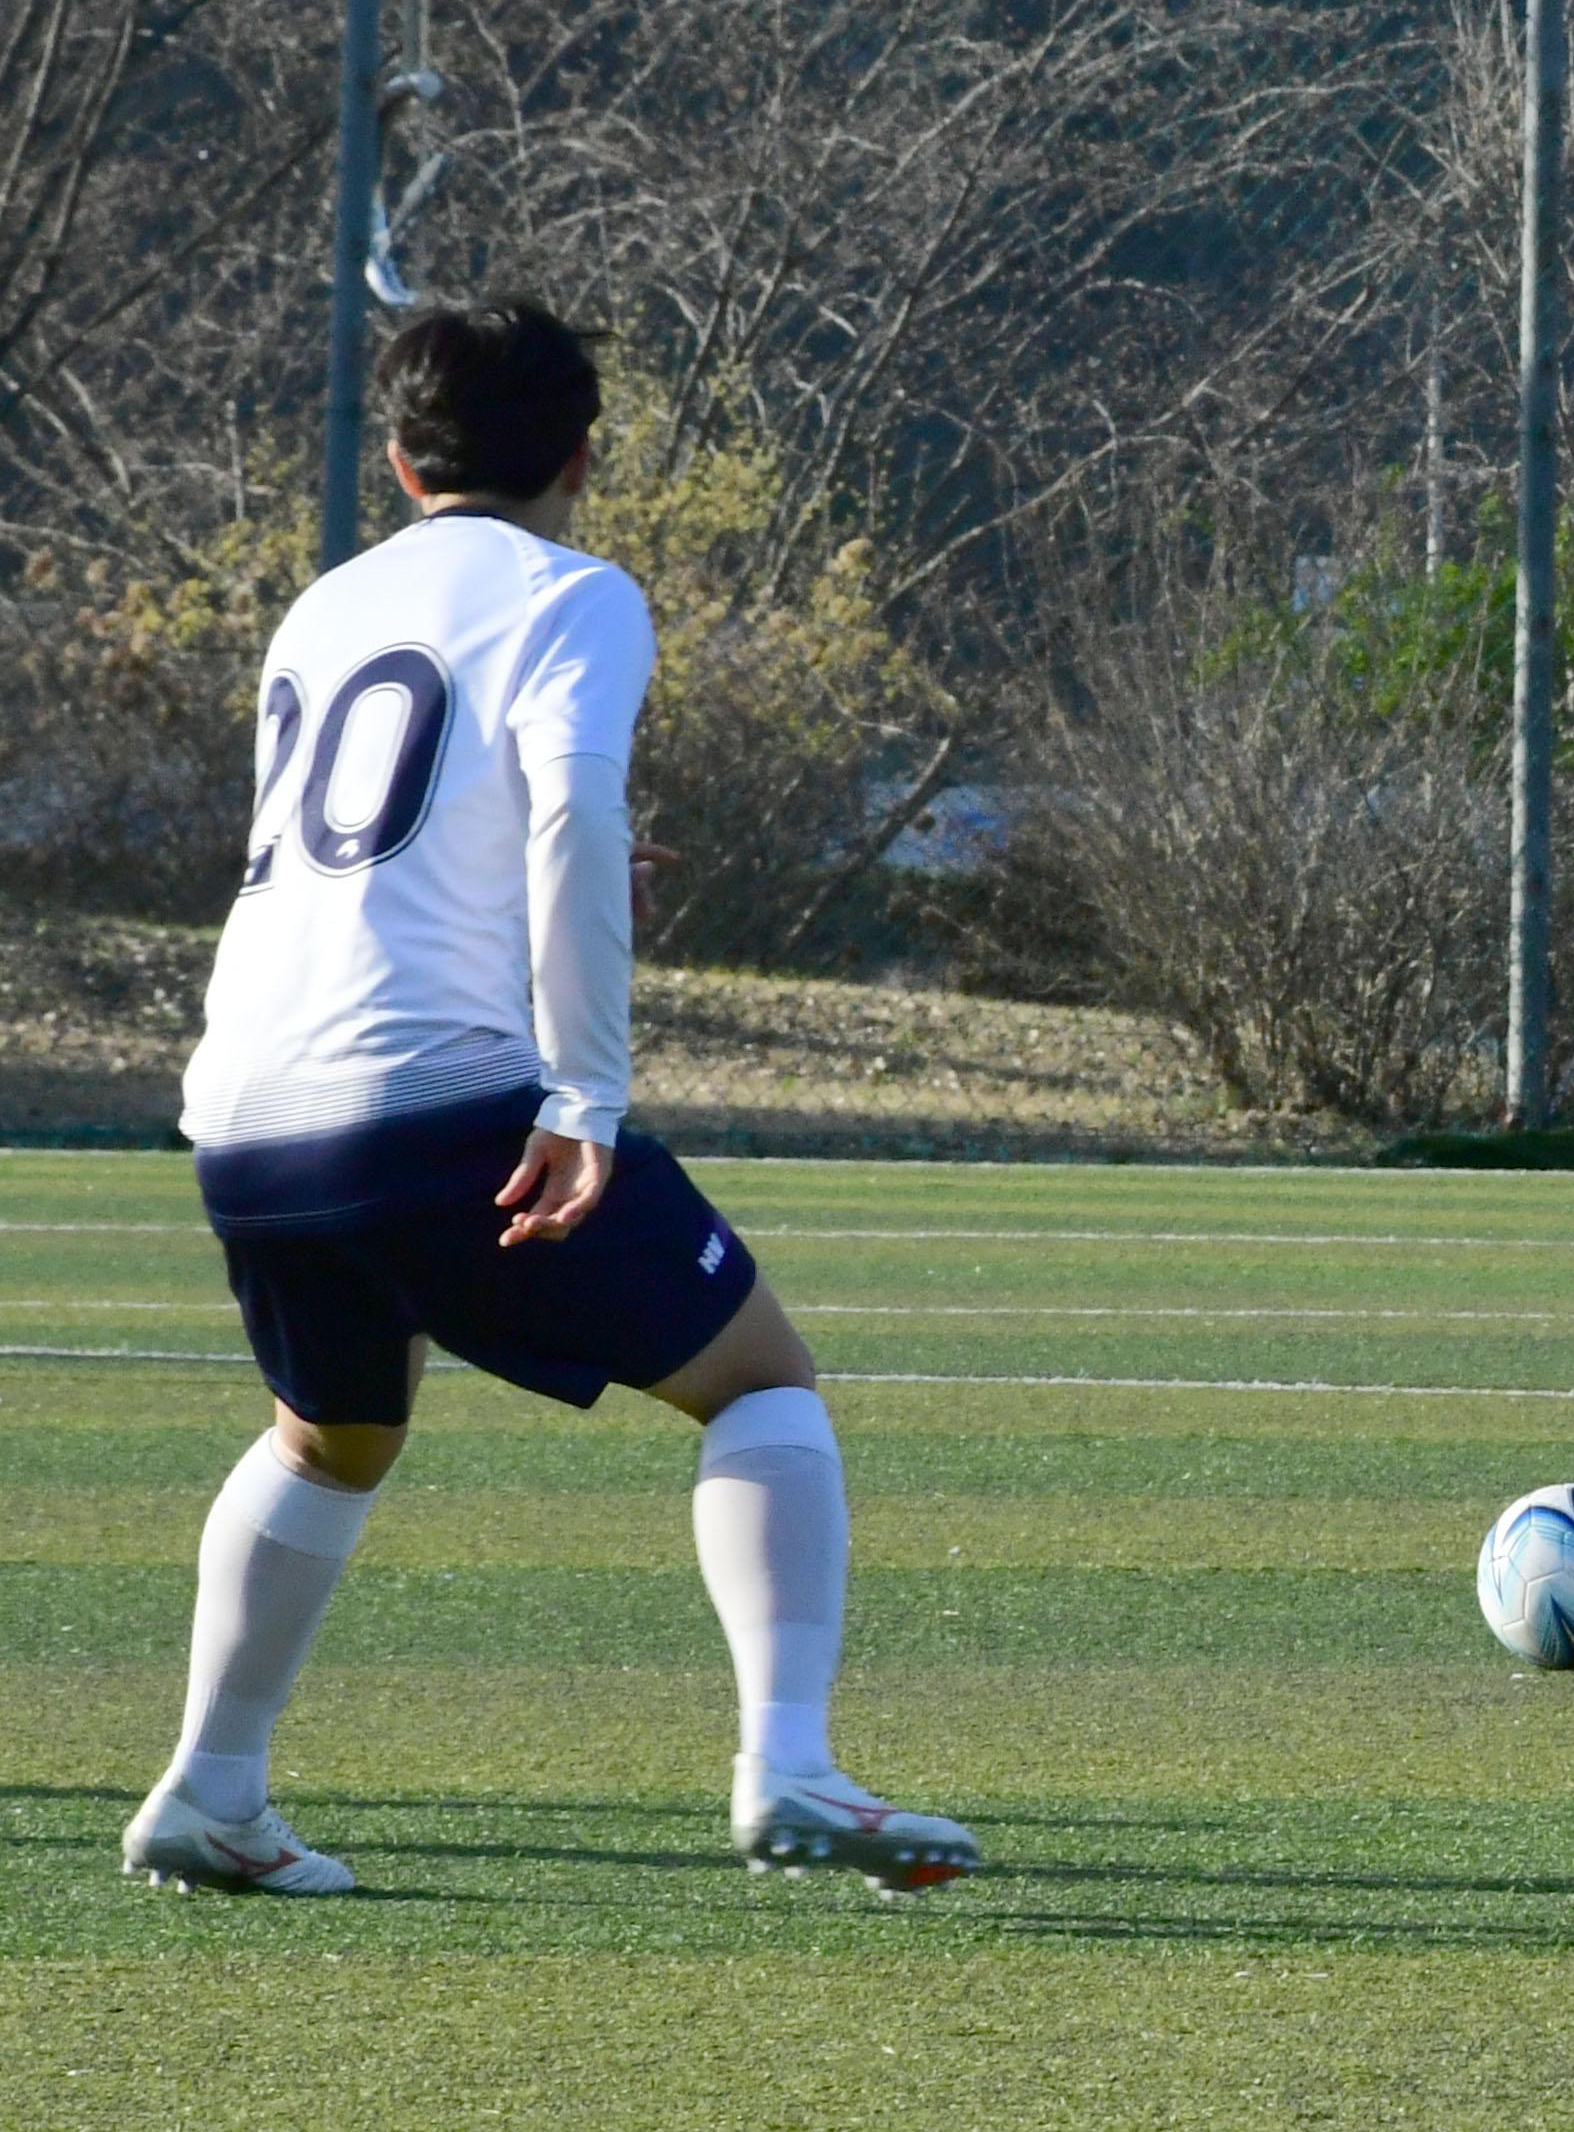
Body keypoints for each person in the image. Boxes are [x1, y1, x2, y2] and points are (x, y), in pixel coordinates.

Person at [123, 302, 977, 1896]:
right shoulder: (576, 594)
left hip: (244, 1114)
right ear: (587, 455)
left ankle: (209, 1790)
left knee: (334, 1436)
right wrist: (583, 1092)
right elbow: (570, 810)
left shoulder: (324, 605)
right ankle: (789, 1766)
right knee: (763, 1385)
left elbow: (366, 863)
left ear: (396, 459)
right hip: (434, 1101)